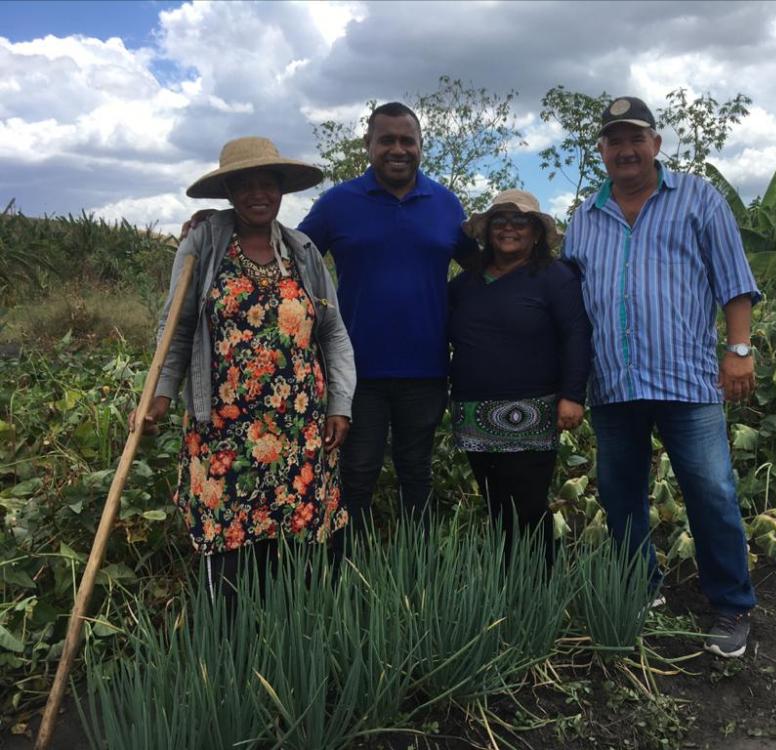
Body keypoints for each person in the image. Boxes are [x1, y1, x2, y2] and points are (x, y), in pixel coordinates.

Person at [562, 97, 760, 658]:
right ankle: (640, 590)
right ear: (601, 150)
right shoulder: (585, 216)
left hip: (687, 379)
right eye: (614, 141)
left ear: (656, 143)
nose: (625, 150)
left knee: (712, 491)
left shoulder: (699, 199)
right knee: (621, 493)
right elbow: (572, 304)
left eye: (636, 138)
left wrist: (739, 348)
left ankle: (730, 603)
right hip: (614, 383)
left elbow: (734, 280)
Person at [131, 136, 356, 607]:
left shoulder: (302, 250)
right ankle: (230, 653)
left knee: (296, 545)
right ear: (230, 192)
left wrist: (340, 402)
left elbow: (332, 333)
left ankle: (291, 646)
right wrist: (159, 395)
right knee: (228, 547)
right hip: (224, 430)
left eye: (267, 184)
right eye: (245, 184)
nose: (258, 194)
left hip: (298, 427)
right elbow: (177, 327)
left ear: (280, 191)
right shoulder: (204, 243)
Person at [298, 102, 478, 533]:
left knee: (417, 474)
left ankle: (415, 572)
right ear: (369, 145)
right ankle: (347, 576)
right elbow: (291, 258)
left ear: (420, 146)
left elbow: (485, 271)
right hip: (355, 373)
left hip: (427, 370)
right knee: (357, 476)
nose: (398, 149)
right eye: (387, 140)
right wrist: (221, 224)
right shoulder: (337, 203)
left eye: (407, 140)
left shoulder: (446, 204)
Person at [448, 190, 590, 568]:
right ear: (487, 230)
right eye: (500, 221)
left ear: (536, 232)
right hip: (475, 411)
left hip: (531, 411)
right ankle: (508, 586)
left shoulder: (555, 278)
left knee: (527, 505)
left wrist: (573, 394)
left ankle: (541, 584)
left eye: (519, 221)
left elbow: (576, 334)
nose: (508, 228)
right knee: (495, 504)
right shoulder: (465, 284)